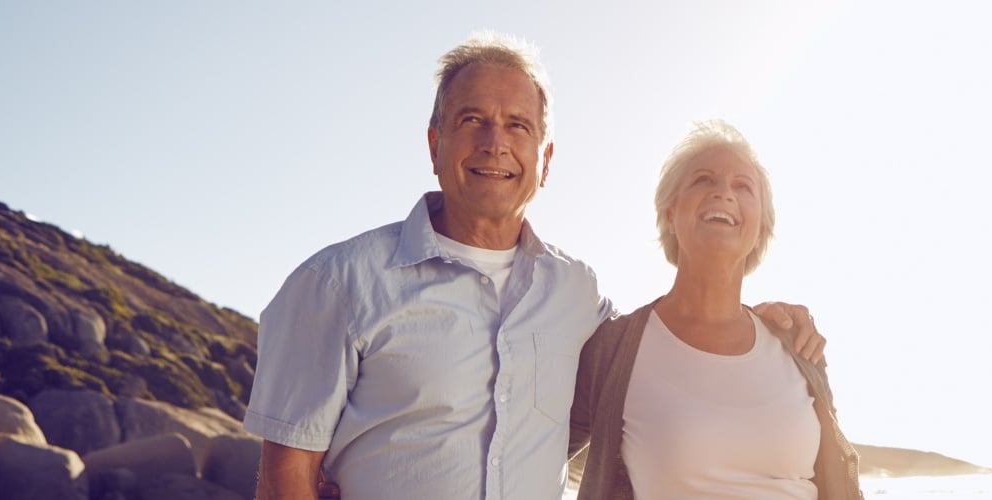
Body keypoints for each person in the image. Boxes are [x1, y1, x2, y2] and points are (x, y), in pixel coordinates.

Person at [244, 33, 826, 500]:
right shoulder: (337, 284)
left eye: (518, 125)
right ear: (434, 143)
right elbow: (285, 481)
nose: (495, 143)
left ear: (544, 160)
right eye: (472, 120)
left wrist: (764, 319)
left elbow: (667, 355)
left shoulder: (575, 293)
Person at [567, 120, 863, 499]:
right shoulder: (614, 349)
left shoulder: (797, 347)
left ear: (760, 228)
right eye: (703, 180)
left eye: (743, 186)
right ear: (670, 214)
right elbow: (530, 452)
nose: (724, 192)